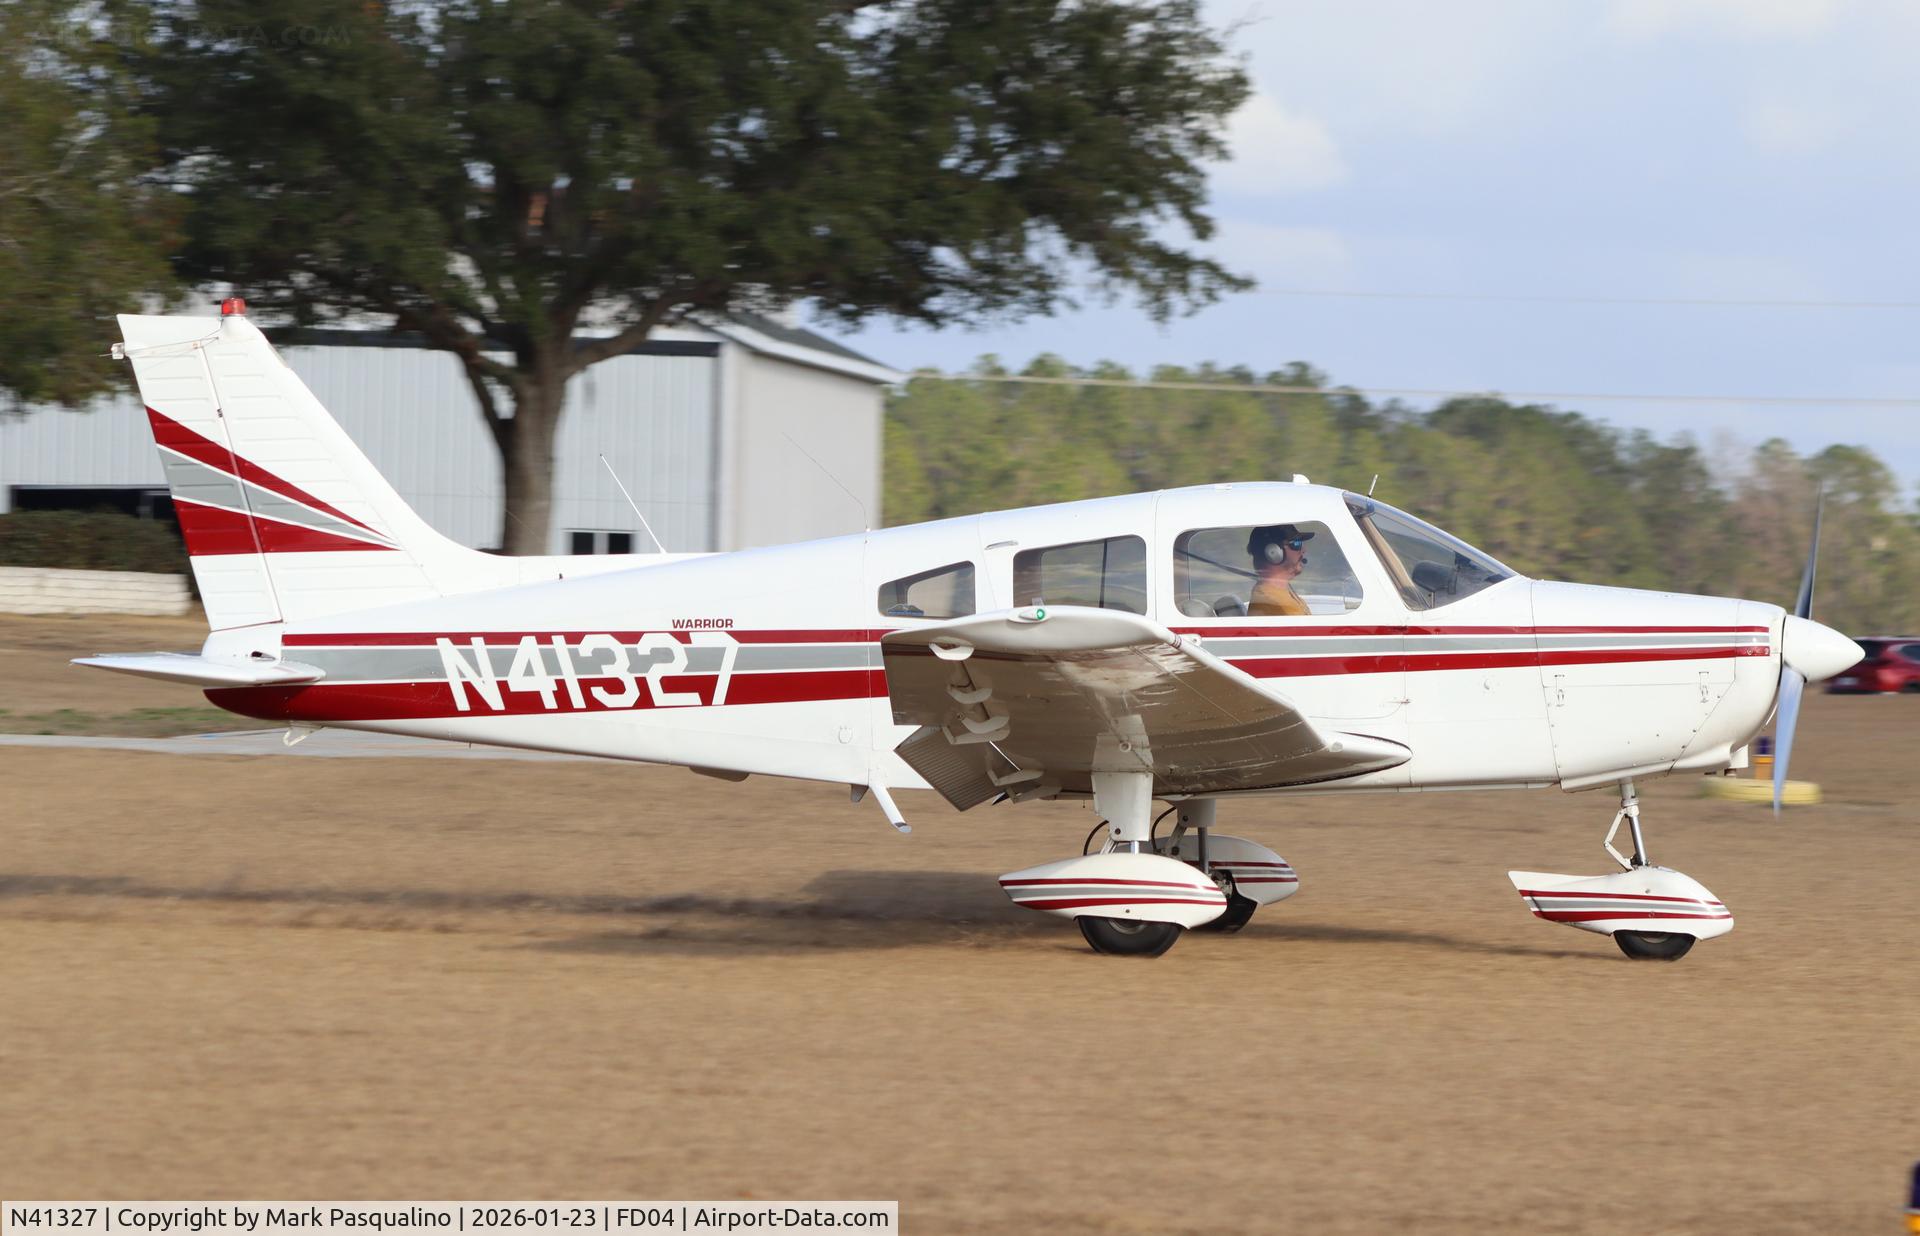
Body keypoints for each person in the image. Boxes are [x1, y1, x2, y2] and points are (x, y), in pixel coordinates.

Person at [1246, 523, 1313, 616]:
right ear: (1273, 552)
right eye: (1296, 543)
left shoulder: (1283, 594)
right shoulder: (1272, 604)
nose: (1303, 550)